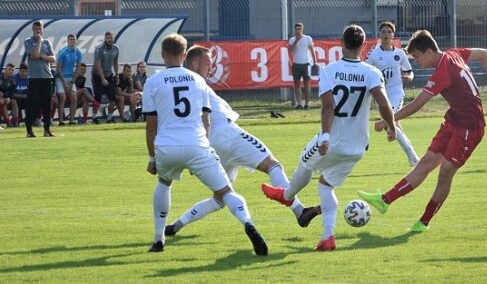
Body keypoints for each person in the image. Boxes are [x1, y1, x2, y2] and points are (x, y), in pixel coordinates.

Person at [263, 24, 397, 251]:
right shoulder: (371, 73)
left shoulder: (329, 71)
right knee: (325, 187)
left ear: (341, 43)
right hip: (357, 148)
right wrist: (391, 127)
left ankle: (287, 195)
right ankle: (327, 237)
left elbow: (328, 108)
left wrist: (325, 136)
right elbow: (384, 103)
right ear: (364, 46)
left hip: (331, 142)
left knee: (305, 163)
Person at [164, 46, 321, 238]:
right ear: (195, 63)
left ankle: (175, 226)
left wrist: (199, 151)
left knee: (221, 197)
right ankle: (299, 211)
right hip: (227, 133)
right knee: (272, 165)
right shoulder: (198, 83)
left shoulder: (184, 86)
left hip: (209, 144)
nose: (211, 68)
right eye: (208, 63)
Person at [357, 29, 487, 232]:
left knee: (444, 174)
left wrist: (387, 121)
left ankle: (423, 222)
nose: (415, 62)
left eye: (416, 56)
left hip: (470, 127)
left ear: (428, 52)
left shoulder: (443, 72)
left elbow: (416, 105)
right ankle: (385, 200)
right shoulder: (454, 53)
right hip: (454, 119)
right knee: (426, 162)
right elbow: (484, 53)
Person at [142, 33, 268, 255]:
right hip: (197, 144)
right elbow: (206, 120)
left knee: (164, 183)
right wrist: (203, 150)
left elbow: (151, 125)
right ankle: (248, 223)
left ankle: (159, 239)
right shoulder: (198, 81)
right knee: (227, 192)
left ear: (162, 55)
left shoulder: (152, 81)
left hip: (167, 145)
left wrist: (152, 158)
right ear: (184, 55)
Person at [365, 20, 420, 167]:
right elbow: (366, 72)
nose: (386, 34)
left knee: (391, 122)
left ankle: (412, 157)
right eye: (383, 32)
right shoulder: (374, 54)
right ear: (379, 34)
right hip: (380, 94)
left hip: (396, 92)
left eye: (389, 32)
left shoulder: (399, 53)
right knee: (393, 126)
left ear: (393, 35)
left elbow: (409, 71)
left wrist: (409, 77)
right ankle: (413, 156)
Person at [24, 20, 56, 137]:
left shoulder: (47, 42)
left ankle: (47, 130)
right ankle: (29, 130)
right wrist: (38, 42)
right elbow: (34, 55)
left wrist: (43, 57)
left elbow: (53, 58)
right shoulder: (28, 41)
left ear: (42, 30)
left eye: (40, 29)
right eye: (36, 29)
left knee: (47, 104)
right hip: (34, 77)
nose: (38, 31)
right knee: (31, 104)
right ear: (33, 30)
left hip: (47, 77)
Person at [55, 34, 83, 126]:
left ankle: (71, 120)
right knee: (62, 97)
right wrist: (64, 82)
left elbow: (78, 67)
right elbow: (58, 68)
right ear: (67, 41)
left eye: (73, 39)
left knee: (74, 98)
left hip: (70, 78)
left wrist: (72, 81)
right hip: (60, 77)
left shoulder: (78, 52)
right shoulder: (62, 52)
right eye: (70, 39)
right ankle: (61, 121)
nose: (72, 41)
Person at [288, 22, 317, 109]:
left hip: (306, 64)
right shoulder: (292, 39)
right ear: (295, 30)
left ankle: (307, 104)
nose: (298, 31)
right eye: (296, 29)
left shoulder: (308, 38)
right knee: (297, 84)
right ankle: (299, 103)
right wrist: (296, 40)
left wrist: (315, 62)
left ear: (302, 29)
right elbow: (290, 50)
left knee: (307, 84)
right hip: (296, 64)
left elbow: (312, 50)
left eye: (299, 29)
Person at [92, 31, 119, 123]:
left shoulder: (116, 49)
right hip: (97, 75)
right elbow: (97, 64)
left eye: (111, 38)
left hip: (109, 74)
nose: (110, 40)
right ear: (105, 39)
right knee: (98, 96)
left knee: (112, 97)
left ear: (113, 39)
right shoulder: (99, 49)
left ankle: (109, 118)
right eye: (108, 38)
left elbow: (115, 62)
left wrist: (117, 74)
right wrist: (102, 78)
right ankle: (94, 117)